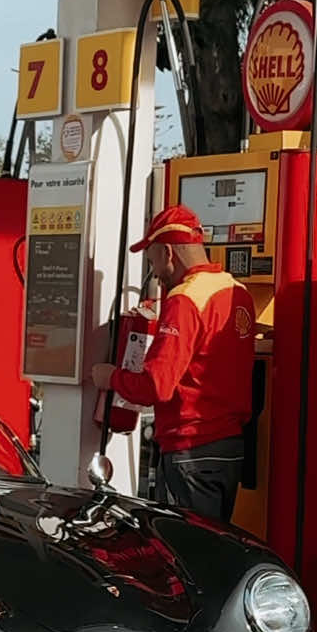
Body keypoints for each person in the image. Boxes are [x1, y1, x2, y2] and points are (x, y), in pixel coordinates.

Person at [91, 203, 255, 523]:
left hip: (189, 450)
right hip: (229, 449)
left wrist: (110, 377)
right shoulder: (238, 292)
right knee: (216, 549)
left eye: (151, 257)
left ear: (168, 252)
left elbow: (156, 386)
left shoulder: (184, 299)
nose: (153, 269)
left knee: (186, 554)